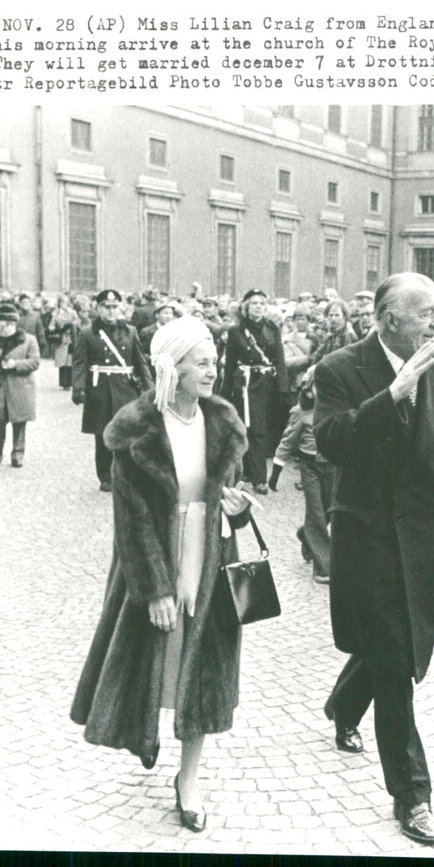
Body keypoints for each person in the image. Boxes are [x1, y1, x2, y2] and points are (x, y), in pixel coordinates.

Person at [71, 316, 254, 831]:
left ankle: (188, 779)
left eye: (214, 362)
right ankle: (144, 734)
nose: (212, 371)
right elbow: (130, 522)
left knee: (204, 666)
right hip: (154, 557)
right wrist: (153, 589)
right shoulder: (138, 429)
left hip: (210, 559)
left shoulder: (223, 422)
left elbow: (229, 494)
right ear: (172, 366)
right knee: (152, 657)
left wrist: (237, 507)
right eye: (201, 363)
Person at [314, 273, 434, 846]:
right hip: (372, 538)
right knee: (396, 662)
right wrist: (391, 396)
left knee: (396, 644)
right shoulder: (340, 368)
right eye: (427, 313)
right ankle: (412, 795)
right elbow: (330, 441)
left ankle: (343, 705)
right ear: (389, 319)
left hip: (428, 534)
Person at [72, 290, 153, 492]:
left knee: (127, 432)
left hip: (126, 389)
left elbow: (140, 362)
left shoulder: (130, 331)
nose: (111, 311)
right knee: (102, 434)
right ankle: (105, 475)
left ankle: (126, 474)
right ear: (99, 309)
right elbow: (80, 363)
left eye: (115, 307)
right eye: (106, 307)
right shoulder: (87, 332)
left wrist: (149, 387)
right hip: (100, 390)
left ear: (120, 308)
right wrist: (79, 387)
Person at [221, 289, 288, 494]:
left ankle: (253, 472)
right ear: (246, 307)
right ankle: (257, 476)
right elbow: (230, 362)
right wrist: (225, 392)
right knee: (249, 427)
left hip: (266, 384)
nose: (258, 307)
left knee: (260, 428)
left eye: (261, 303)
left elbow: (280, 359)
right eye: (254, 303)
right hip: (245, 384)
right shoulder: (236, 331)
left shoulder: (272, 328)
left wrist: (282, 387)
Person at [269, 370, 333, 585]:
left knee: (329, 511)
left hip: (332, 466)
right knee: (316, 514)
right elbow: (287, 441)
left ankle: (306, 534)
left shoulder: (335, 407)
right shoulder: (300, 412)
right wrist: (275, 472)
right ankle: (323, 568)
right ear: (309, 388)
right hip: (310, 468)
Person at [0, 302, 41, 467]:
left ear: (12, 324)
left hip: (19, 388)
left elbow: (35, 362)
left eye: (1, 326)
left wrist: (15, 364)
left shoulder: (29, 340)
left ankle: (18, 453)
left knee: (19, 422)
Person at [49, 294, 79, 390]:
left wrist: (72, 324)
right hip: (61, 340)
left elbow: (78, 321)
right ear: (59, 303)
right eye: (62, 302)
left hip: (71, 339)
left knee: (70, 361)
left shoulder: (72, 312)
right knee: (62, 362)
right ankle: (64, 383)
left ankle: (70, 383)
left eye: (66, 302)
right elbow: (51, 325)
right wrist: (54, 330)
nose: (64, 304)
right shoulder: (56, 313)